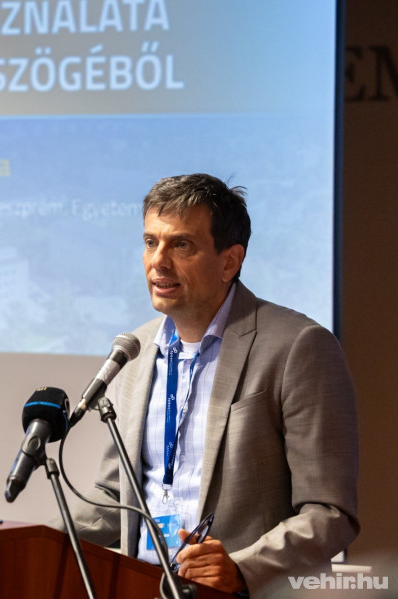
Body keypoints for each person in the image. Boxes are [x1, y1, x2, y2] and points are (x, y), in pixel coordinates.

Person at [62, 174, 359, 596]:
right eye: (150, 242)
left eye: (181, 245)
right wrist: (34, 539)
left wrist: (242, 569)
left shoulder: (298, 347)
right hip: (140, 586)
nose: (158, 261)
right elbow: (115, 497)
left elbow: (330, 512)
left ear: (229, 262)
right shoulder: (134, 352)